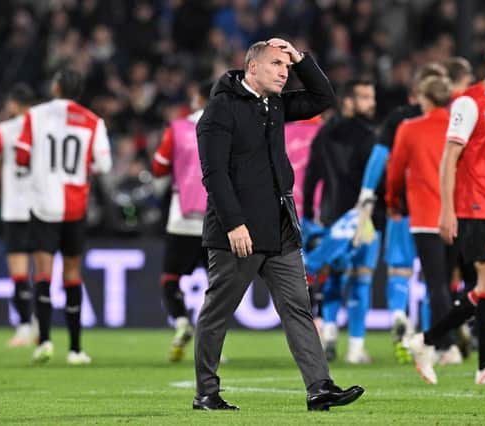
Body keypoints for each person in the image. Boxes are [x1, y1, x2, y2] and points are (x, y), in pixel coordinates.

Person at [193, 38, 363, 411]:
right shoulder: (221, 110)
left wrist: (302, 57)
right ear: (252, 67)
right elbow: (214, 174)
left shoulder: (275, 104)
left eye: (287, 66)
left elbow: (323, 98)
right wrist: (235, 224)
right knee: (218, 310)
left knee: (298, 307)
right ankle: (206, 392)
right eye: (276, 64)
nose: (284, 72)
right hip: (238, 233)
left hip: (280, 226)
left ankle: (319, 387)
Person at [408, 32, 485, 386]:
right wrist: (447, 210)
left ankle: (429, 341)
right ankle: (484, 366)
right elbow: (449, 159)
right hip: (473, 203)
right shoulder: (468, 103)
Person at [15, 68, 113, 364]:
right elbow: (104, 166)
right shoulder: (93, 121)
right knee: (71, 273)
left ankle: (44, 341)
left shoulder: (35, 115)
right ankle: (75, 349)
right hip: (74, 205)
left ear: (56, 86)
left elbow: (21, 157)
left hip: (43, 202)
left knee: (43, 272)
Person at [385, 75, 463, 365]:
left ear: (425, 99)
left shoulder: (410, 128)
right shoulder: (459, 129)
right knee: (453, 282)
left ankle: (447, 346)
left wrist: (393, 203)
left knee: (436, 284)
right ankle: (460, 340)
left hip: (426, 216)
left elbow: (395, 171)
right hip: (460, 215)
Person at [303, 79, 380, 364]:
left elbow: (312, 175)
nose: (371, 103)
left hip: (332, 217)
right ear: (348, 101)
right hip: (366, 218)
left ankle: (331, 333)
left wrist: (311, 213)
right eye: (364, 97)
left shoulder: (324, 134)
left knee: (335, 277)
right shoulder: (371, 135)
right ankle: (356, 347)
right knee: (361, 280)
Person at [151, 81, 212, 362]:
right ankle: (213, 342)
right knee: (220, 284)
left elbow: (158, 168)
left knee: (170, 278)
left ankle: (181, 322)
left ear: (196, 96)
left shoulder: (178, 128)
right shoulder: (236, 126)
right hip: (221, 219)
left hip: (183, 217)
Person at [0, 84, 37, 347]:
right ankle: (43, 328)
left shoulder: (4, 130)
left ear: (13, 105)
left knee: (19, 272)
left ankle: (25, 326)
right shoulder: (43, 128)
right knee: (43, 270)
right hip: (42, 206)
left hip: (15, 207)